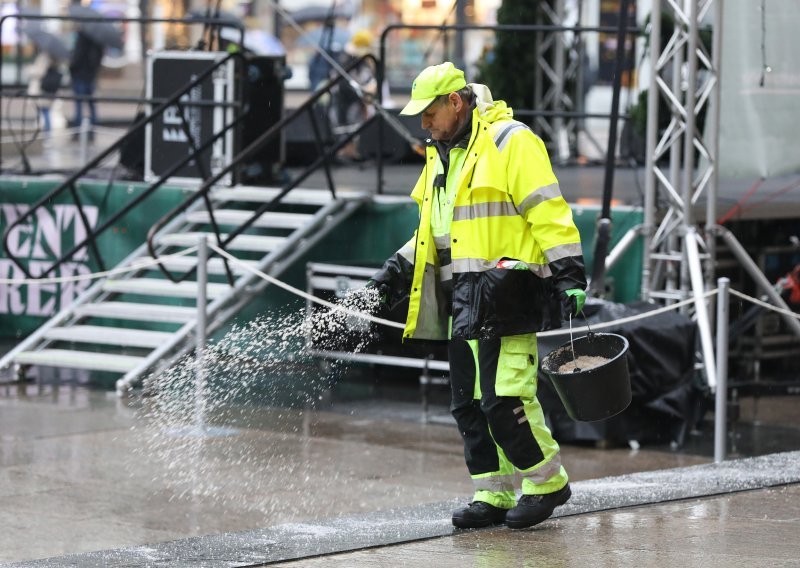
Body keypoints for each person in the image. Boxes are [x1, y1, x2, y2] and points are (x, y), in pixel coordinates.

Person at [368, 62, 587, 530]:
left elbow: (547, 209)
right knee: (467, 403)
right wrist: (390, 274)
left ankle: (547, 483)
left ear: (455, 102)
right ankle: (493, 492)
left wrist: (569, 272)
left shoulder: (511, 141)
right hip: (463, 299)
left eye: (429, 113)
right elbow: (432, 232)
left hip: (506, 293)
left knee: (505, 397)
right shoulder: (441, 156)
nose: (423, 124)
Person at [69, 29, 104, 135]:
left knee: (79, 104)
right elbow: (98, 59)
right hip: (90, 76)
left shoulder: (82, 38)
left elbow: (76, 58)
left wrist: (72, 68)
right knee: (91, 104)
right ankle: (92, 130)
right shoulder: (97, 40)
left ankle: (78, 131)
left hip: (80, 76)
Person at [26, 50, 59, 133]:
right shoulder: (52, 55)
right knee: (43, 111)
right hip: (46, 88)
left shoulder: (44, 56)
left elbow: (40, 72)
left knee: (44, 111)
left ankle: (45, 134)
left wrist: (30, 69)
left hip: (41, 88)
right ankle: (44, 133)